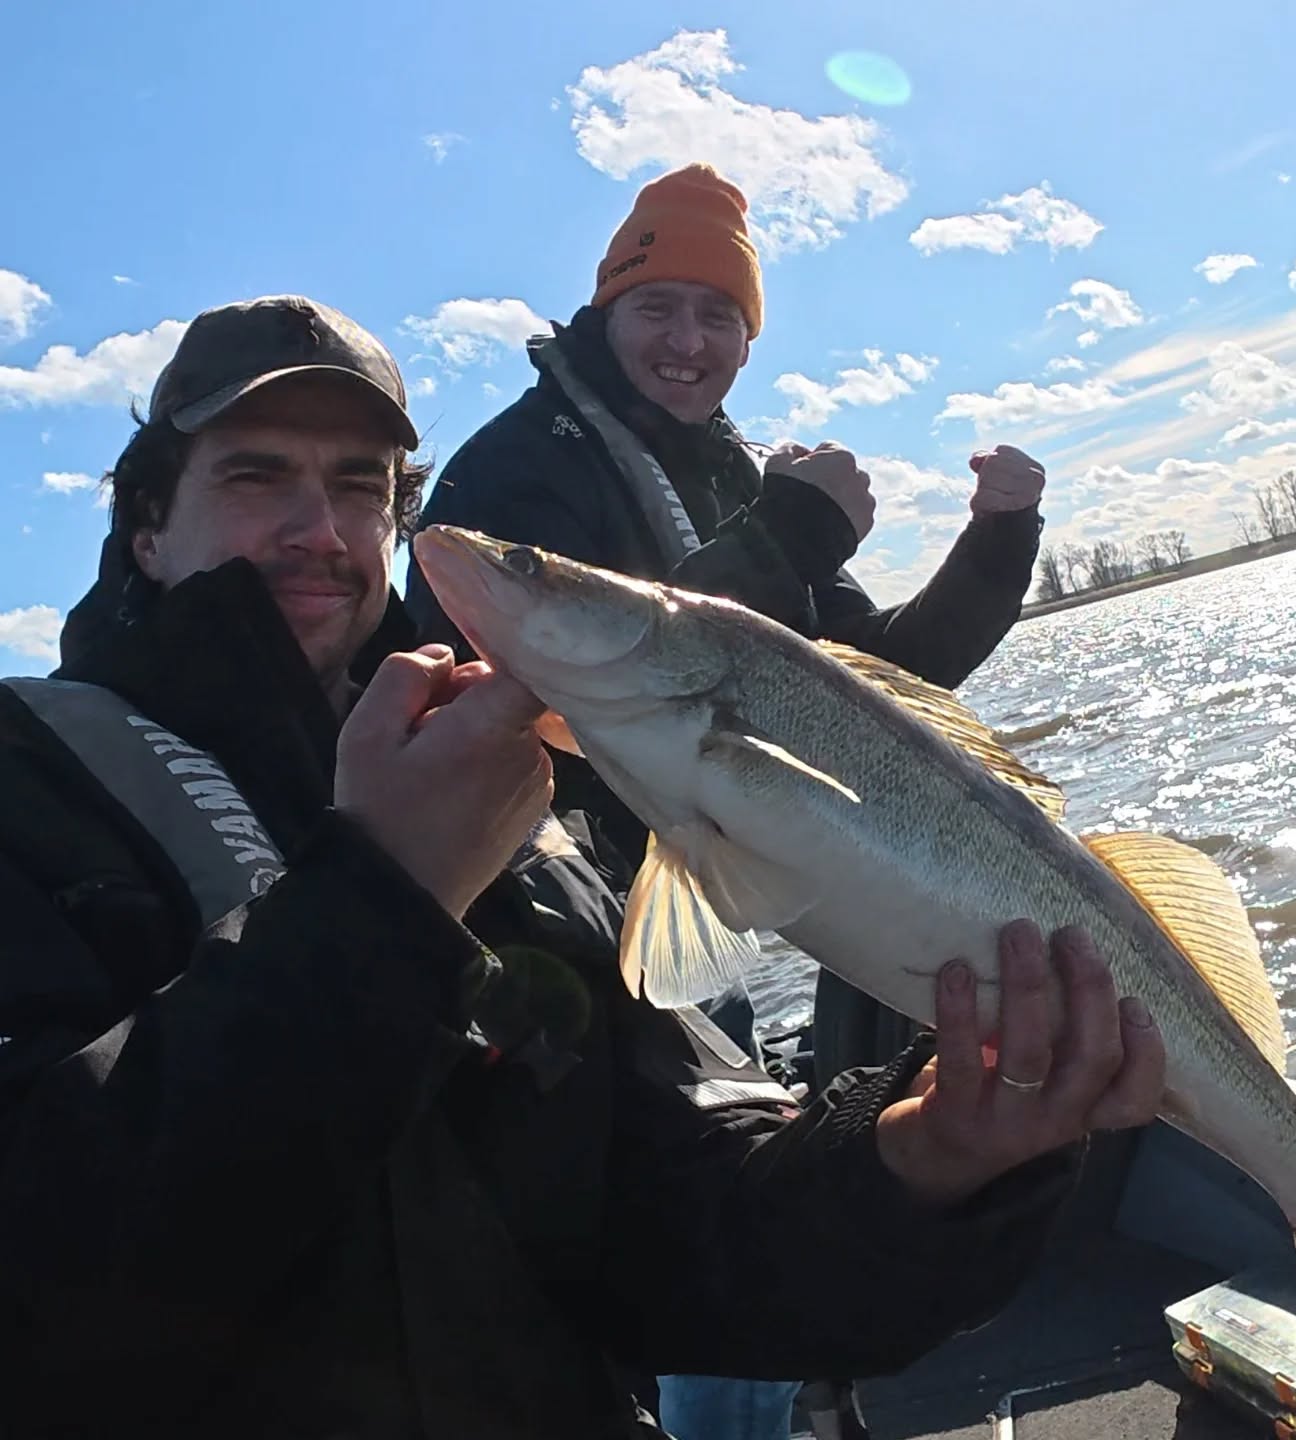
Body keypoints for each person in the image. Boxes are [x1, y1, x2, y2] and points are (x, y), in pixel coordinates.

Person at [0, 294, 1166, 1440]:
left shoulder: (504, 802)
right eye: (256, 476)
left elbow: (688, 1241)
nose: (321, 529)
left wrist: (928, 1158)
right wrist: (387, 897)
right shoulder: (32, 783)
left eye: (361, 487)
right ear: (147, 527)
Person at [403, 163, 1048, 1437]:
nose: (689, 342)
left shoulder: (731, 471)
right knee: (694, 1233)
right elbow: (551, 666)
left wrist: (1000, 536)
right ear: (606, 311)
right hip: (568, 930)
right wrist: (791, 533)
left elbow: (885, 684)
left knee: (759, 1205)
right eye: (660, 308)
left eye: (721, 316)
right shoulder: (518, 473)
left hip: (706, 884)